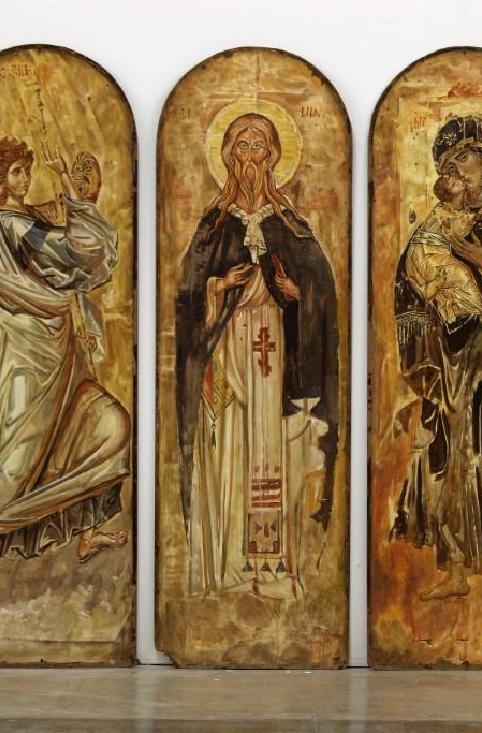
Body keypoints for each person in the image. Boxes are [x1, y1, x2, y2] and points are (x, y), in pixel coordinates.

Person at [0, 136, 131, 624]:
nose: (24, 178)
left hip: (58, 349)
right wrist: (77, 200)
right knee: (16, 463)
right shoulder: (9, 223)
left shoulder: (28, 217)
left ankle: (85, 531)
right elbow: (70, 254)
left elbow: (73, 257)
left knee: (106, 427)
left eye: (26, 170)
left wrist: (73, 192)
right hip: (26, 357)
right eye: (15, 172)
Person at [175, 113, 338, 598]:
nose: (250, 159)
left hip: (274, 355)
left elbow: (323, 294)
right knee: (230, 447)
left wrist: (297, 295)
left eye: (258, 148)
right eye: (241, 148)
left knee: (270, 448)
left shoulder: (291, 225)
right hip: (226, 353)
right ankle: (230, 564)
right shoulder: (214, 226)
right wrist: (218, 286)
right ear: (228, 156)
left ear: (272, 157)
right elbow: (186, 296)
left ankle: (271, 565)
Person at [391, 115, 482, 612]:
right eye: (450, 164)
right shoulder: (438, 219)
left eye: (466, 159)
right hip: (447, 353)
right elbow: (409, 276)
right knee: (445, 457)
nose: (458, 171)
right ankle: (453, 567)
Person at [404, 172, 482, 326]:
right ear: (449, 195)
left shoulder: (454, 210)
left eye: (456, 180)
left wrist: (477, 216)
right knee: (461, 273)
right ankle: (481, 312)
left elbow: (461, 223)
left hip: (430, 254)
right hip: (426, 254)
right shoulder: (444, 212)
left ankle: (447, 298)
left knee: (453, 277)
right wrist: (476, 218)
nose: (459, 180)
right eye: (454, 184)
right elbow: (457, 231)